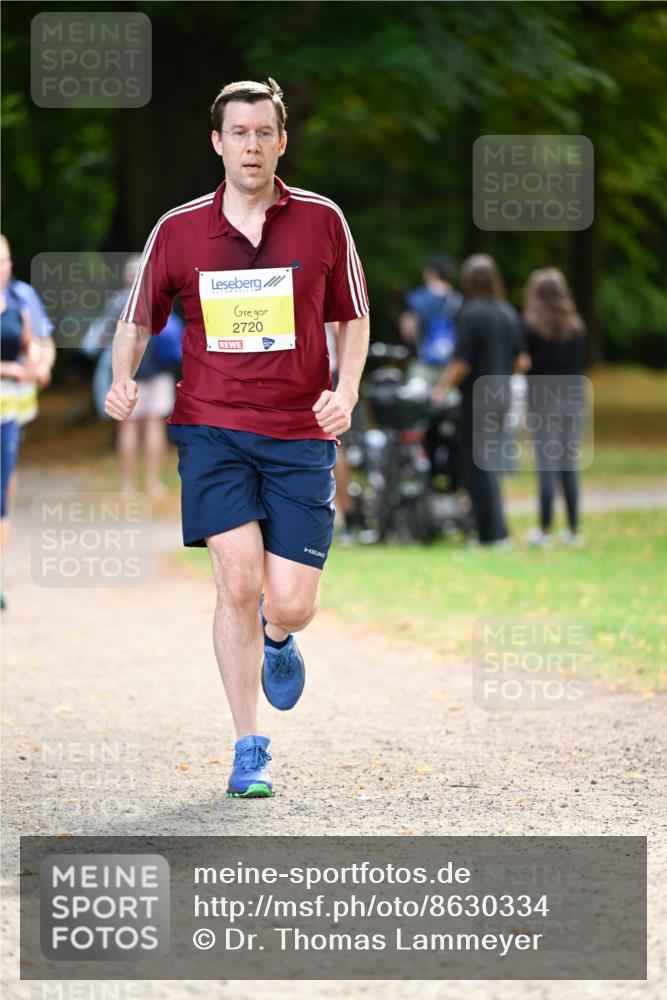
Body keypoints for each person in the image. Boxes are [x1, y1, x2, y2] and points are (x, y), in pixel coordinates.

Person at [104, 78, 370, 797]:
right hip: (212, 428)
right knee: (237, 582)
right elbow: (138, 317)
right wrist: (123, 376)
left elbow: (353, 316)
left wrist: (343, 393)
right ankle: (248, 746)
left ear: (281, 142)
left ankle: (278, 638)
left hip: (297, 433)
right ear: (217, 143)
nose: (251, 146)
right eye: (238, 133)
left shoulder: (321, 221)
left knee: (288, 602)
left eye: (263, 133)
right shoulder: (179, 228)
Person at [433, 254, 530, 546]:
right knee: (490, 463)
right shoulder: (508, 312)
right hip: (502, 395)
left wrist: (440, 389)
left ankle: (494, 533)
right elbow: (523, 360)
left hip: (477, 398)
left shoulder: (471, 314)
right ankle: (489, 528)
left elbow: (461, 363)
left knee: (478, 466)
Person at [83, 254, 184, 497]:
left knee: (128, 427)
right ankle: (154, 483)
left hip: (127, 373)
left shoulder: (118, 302)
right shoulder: (159, 299)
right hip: (160, 372)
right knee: (155, 425)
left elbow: (95, 340)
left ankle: (127, 485)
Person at [522, 268, 587, 547]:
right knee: (568, 463)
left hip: (542, 396)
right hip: (573, 395)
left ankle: (545, 529)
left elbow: (525, 363)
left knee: (547, 463)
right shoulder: (576, 326)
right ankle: (573, 530)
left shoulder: (531, 326)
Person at [1, 250, 42, 610]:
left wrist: (34, 364)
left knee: (3, 490)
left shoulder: (16, 306)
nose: (3, 268)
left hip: (8, 411)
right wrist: (8, 369)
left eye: (5, 260)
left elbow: (32, 345)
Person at [399, 254, 463, 385]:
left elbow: (408, 331)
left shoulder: (417, 298)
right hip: (450, 370)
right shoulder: (459, 300)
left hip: (421, 366)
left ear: (430, 272)